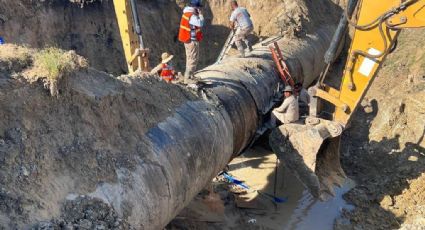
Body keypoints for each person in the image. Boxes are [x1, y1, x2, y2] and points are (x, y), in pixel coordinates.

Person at [178, 0, 204, 84]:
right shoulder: (191, 16)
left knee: (190, 58)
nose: (200, 9)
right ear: (195, 7)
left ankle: (190, 75)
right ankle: (188, 78)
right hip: (191, 41)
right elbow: (200, 23)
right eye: (199, 7)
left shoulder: (186, 13)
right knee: (193, 59)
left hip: (188, 40)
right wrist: (200, 14)